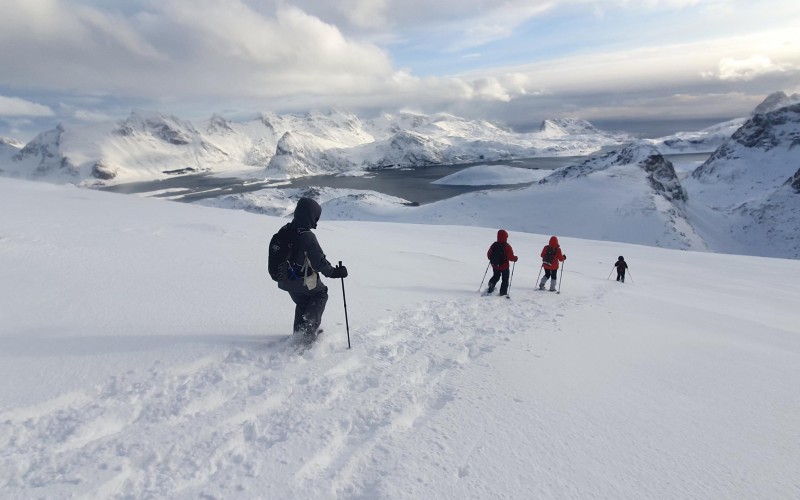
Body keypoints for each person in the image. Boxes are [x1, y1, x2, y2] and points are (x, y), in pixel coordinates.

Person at [277, 197, 348, 341]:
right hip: (301, 279)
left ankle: (298, 334)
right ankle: (307, 334)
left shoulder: (285, 230)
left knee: (303, 301)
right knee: (320, 294)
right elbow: (319, 263)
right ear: (310, 216)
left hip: (284, 279)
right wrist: (335, 272)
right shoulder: (307, 236)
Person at [485, 229, 518, 296]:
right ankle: (503, 293)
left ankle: (491, 284)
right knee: (505, 279)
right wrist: (515, 258)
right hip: (504, 266)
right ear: (506, 236)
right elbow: (510, 257)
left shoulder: (494, 245)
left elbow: (489, 255)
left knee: (496, 275)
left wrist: (492, 259)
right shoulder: (507, 246)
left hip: (495, 265)